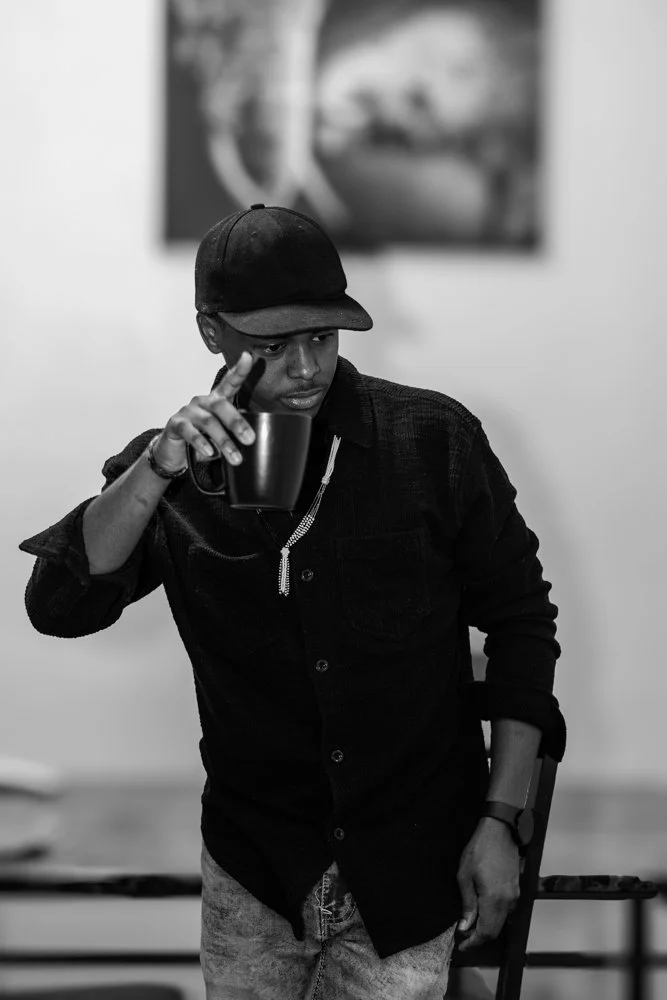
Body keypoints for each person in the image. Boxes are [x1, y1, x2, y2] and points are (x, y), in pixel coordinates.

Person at [19, 204, 565, 1000]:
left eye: (323, 336)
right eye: (273, 345)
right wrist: (157, 470)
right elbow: (60, 604)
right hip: (256, 869)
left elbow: (522, 625)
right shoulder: (173, 471)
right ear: (212, 333)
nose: (307, 367)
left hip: (412, 859)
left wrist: (499, 820)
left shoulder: (430, 440)